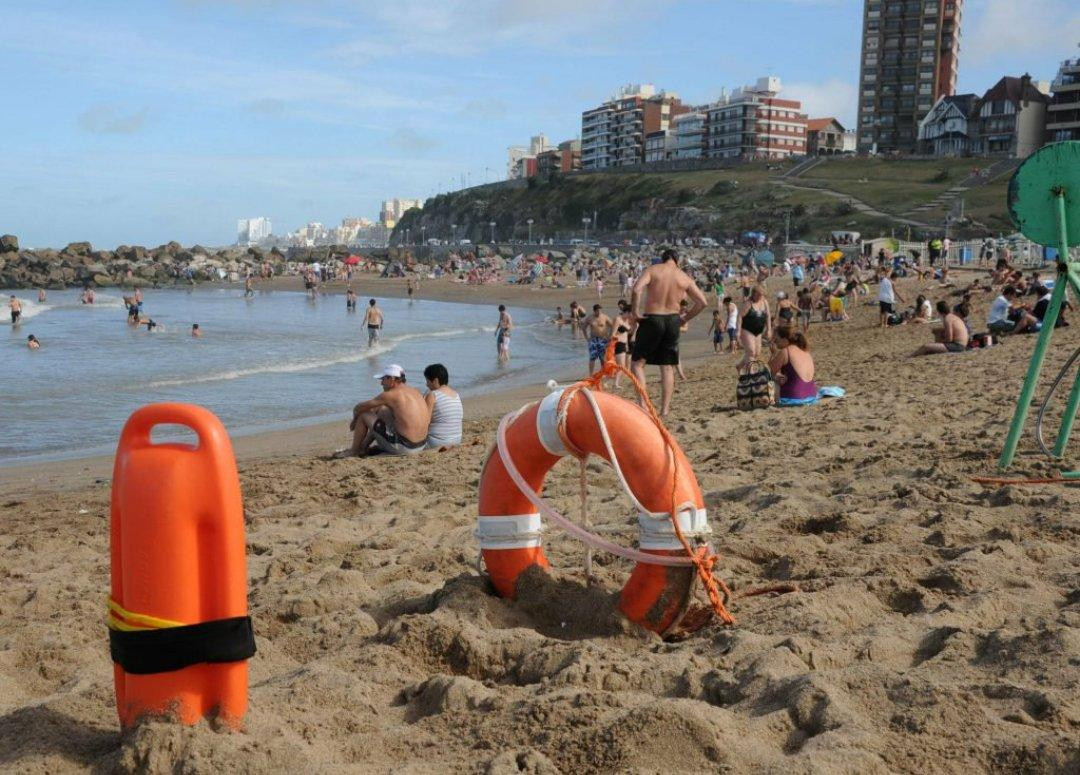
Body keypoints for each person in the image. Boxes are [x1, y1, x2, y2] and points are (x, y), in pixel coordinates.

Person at [630, 248, 708, 416]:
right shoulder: (683, 276)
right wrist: (685, 318)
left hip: (653, 318)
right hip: (673, 320)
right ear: (677, 261)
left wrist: (635, 313)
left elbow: (636, 290)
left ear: (663, 259)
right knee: (667, 367)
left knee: (637, 363)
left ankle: (643, 405)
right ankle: (665, 410)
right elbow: (702, 302)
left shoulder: (653, 269)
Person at [335, 364, 430, 458]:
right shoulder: (415, 391)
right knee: (382, 411)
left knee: (364, 414)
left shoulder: (390, 394)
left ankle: (354, 450)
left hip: (406, 448)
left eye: (383, 379)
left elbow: (358, 408)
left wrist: (354, 420)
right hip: (421, 445)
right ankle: (363, 447)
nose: (381, 383)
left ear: (392, 379)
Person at [769, 326, 816, 401]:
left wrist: (773, 354)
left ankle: (770, 401)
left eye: (776, 339)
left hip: (793, 397)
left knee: (767, 382)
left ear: (785, 340)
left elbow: (768, 372)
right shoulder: (805, 351)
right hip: (811, 395)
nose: (774, 342)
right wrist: (777, 376)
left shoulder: (785, 352)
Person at [423, 363, 463, 450]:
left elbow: (425, 422)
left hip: (437, 442)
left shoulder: (433, 395)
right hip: (457, 439)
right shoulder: (456, 394)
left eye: (427, 381)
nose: (426, 385)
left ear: (435, 381)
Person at [736, 286, 770, 370]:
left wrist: (769, 329)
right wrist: (738, 332)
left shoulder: (764, 302)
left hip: (758, 330)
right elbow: (739, 317)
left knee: (756, 353)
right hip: (747, 329)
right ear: (754, 294)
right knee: (751, 351)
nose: (760, 297)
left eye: (762, 295)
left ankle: (739, 366)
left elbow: (768, 316)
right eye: (759, 295)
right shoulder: (748, 303)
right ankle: (750, 373)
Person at [585, 303, 613, 374]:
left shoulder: (605, 317)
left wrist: (610, 336)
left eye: (600, 310)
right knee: (592, 357)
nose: (599, 312)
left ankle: (603, 373)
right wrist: (587, 338)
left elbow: (613, 326)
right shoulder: (590, 318)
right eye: (598, 311)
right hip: (593, 340)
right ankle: (591, 375)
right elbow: (583, 328)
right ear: (594, 311)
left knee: (602, 358)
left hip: (603, 340)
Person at [612, 299, 633, 386]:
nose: (631, 315)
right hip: (618, 344)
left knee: (620, 367)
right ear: (627, 312)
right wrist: (617, 335)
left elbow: (628, 334)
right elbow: (612, 334)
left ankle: (612, 382)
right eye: (631, 313)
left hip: (624, 344)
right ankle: (614, 383)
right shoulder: (618, 319)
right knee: (621, 366)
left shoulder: (626, 321)